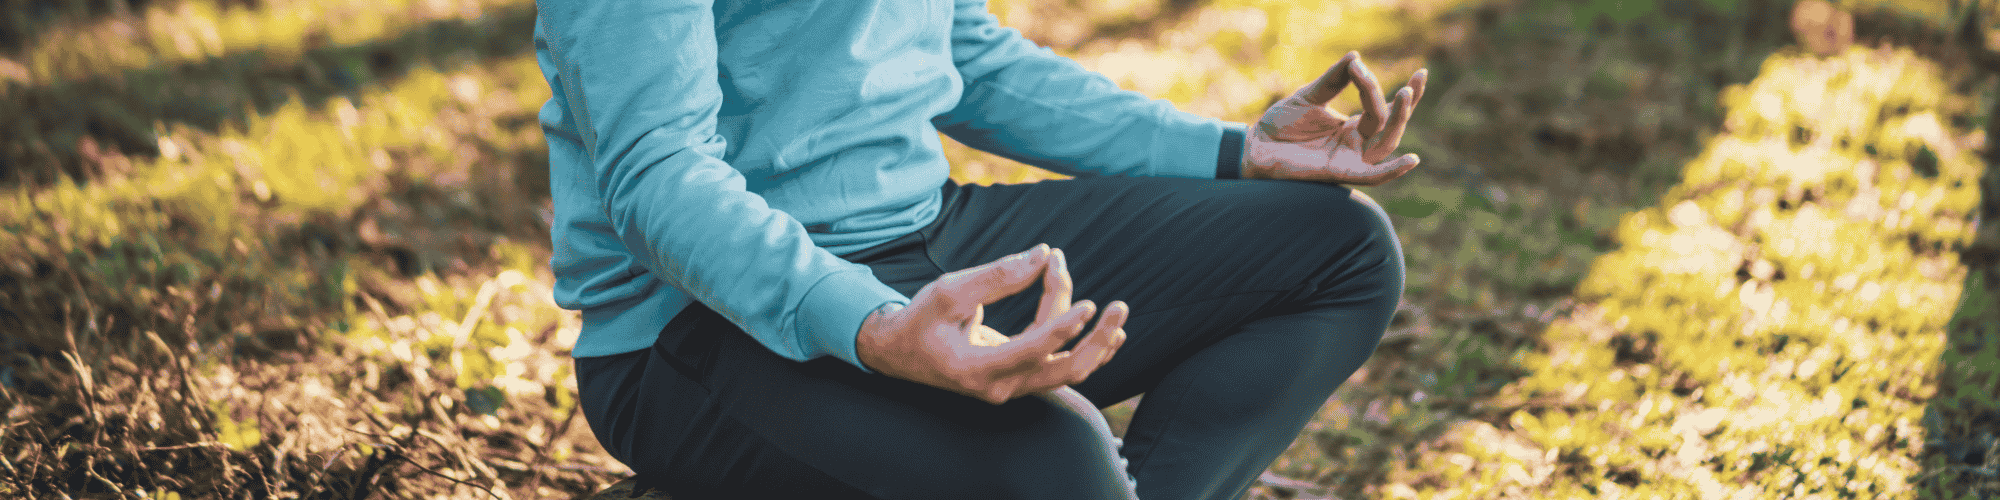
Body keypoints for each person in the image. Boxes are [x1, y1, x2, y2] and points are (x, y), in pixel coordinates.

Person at [534, 1, 1425, 498]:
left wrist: (1230, 153)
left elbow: (964, 52)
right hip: (697, 320)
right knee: (1059, 461)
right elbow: (658, 173)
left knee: (1336, 251)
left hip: (925, 238)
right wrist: (876, 327)